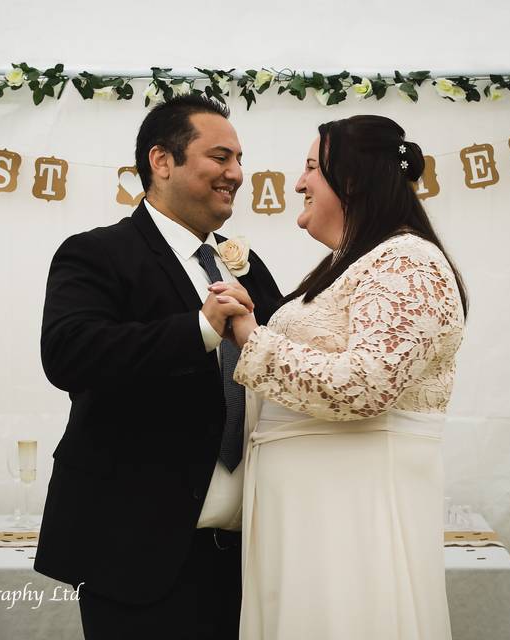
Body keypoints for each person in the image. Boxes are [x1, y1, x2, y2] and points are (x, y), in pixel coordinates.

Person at [34, 94, 283, 639]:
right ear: (161, 161)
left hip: (247, 561)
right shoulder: (96, 254)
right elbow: (69, 353)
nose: (236, 174)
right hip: (135, 556)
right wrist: (199, 329)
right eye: (220, 158)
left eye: (239, 159)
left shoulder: (248, 266)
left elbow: (283, 369)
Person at [210, 115, 468, 639]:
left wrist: (251, 339)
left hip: (351, 519)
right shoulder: (351, 263)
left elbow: (368, 383)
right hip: (311, 516)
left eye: (310, 169)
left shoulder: (408, 261)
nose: (298, 183)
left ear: (351, 180)